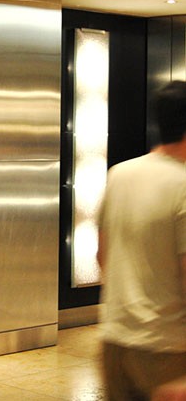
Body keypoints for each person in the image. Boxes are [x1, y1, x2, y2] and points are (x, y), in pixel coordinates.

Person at [97, 80, 186, 401]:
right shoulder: (182, 185)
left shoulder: (119, 175)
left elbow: (102, 255)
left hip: (115, 343)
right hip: (166, 349)